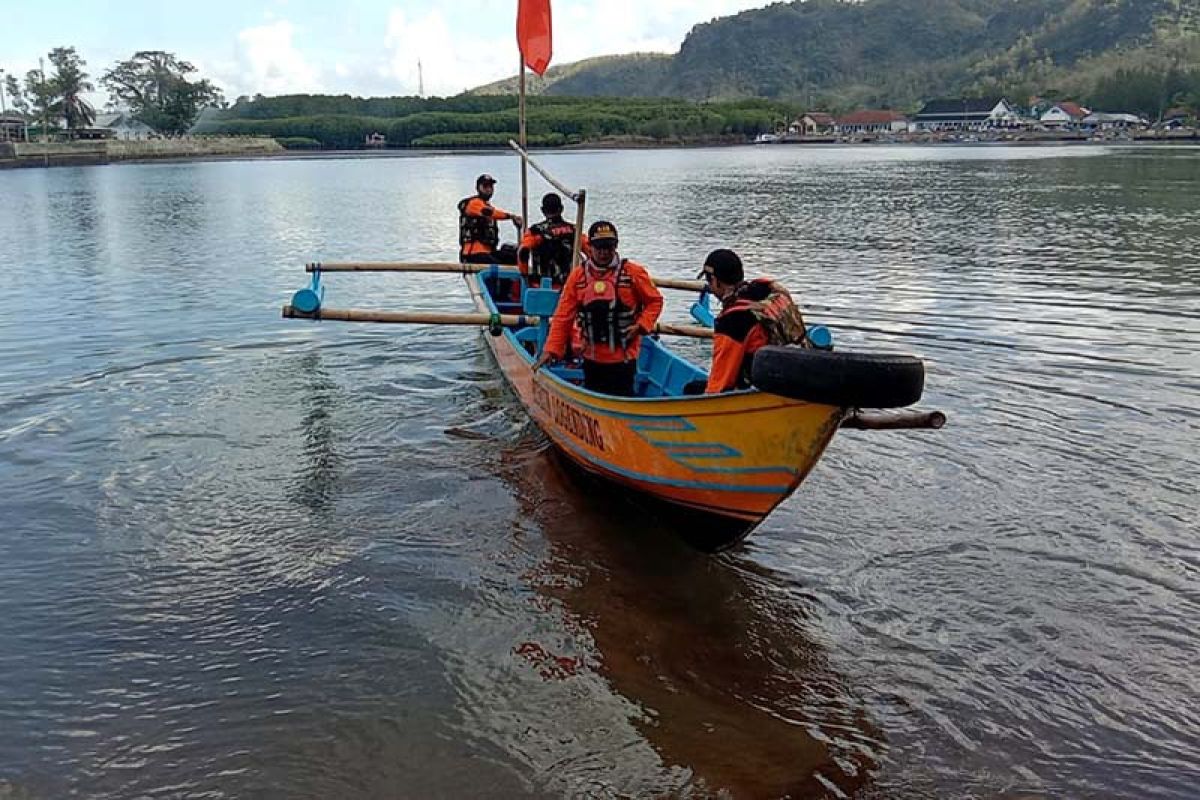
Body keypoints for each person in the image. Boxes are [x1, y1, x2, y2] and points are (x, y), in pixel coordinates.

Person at [533, 221, 663, 397]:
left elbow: (654, 301)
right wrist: (551, 350)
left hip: (624, 359)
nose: (603, 252)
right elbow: (563, 317)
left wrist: (641, 326)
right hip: (592, 358)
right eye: (599, 247)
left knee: (622, 396)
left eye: (608, 247)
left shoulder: (633, 273)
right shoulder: (577, 277)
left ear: (615, 246)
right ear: (590, 247)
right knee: (594, 393)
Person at [700, 248, 809, 394]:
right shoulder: (769, 291)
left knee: (692, 388)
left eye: (709, 280)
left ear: (715, 281)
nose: (710, 287)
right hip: (798, 379)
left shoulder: (732, 321)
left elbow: (720, 383)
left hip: (760, 391)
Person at [518, 192, 589, 288]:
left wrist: (525, 276)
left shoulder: (535, 231)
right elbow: (591, 251)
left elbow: (523, 251)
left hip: (541, 286)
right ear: (562, 209)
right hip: (569, 286)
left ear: (542, 210)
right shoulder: (574, 231)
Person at [458, 174, 523, 264]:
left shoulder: (488, 206)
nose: (489, 189)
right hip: (472, 254)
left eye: (490, 186)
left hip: (488, 252)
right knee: (496, 264)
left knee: (512, 257)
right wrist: (511, 216)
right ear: (478, 188)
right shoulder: (473, 204)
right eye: (485, 186)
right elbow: (489, 213)